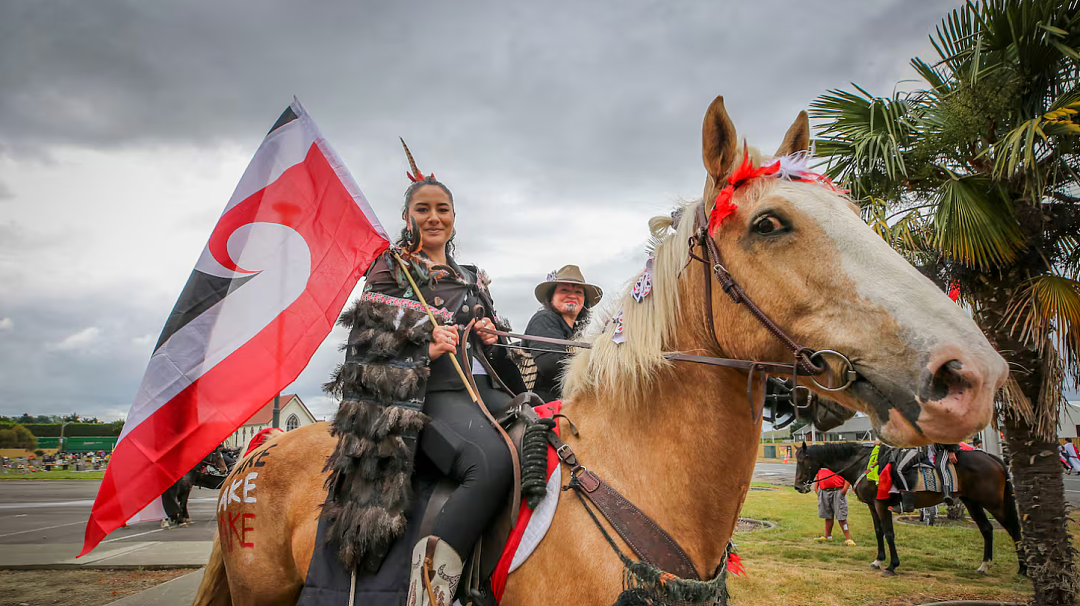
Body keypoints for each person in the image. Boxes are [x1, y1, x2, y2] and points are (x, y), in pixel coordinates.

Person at [322, 141, 524, 606]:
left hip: (480, 389)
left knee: (546, 429)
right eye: (423, 209)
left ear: (454, 216)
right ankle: (430, 591)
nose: (434, 217)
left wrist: (493, 338)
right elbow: (364, 346)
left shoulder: (472, 276)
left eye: (443, 209)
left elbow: (496, 354)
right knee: (489, 462)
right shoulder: (391, 270)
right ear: (408, 216)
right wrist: (425, 347)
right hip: (424, 397)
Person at [523, 265, 603, 402]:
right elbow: (551, 365)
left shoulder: (575, 334)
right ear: (551, 297)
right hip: (541, 409)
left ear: (584, 301)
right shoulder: (543, 319)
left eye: (578, 292)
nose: (572, 295)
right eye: (564, 290)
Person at [814, 468, 855, 545]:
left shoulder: (837, 464)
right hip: (824, 491)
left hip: (837, 491)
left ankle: (848, 538)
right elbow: (817, 477)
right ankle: (827, 536)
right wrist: (816, 489)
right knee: (827, 515)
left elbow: (848, 476)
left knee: (841, 516)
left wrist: (844, 489)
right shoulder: (822, 465)